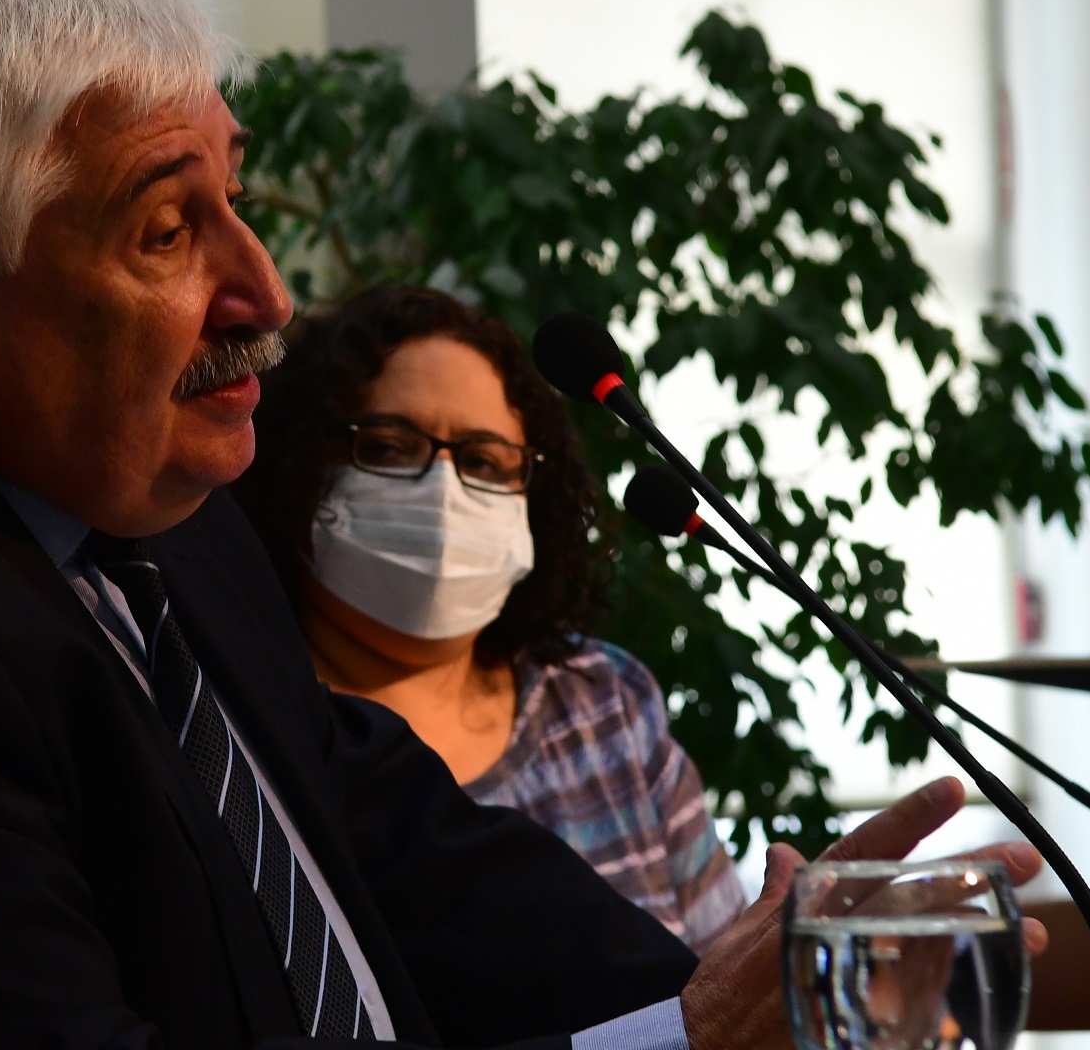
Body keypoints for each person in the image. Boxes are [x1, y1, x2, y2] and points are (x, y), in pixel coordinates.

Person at [0, 0, 1045, 1050]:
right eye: (169, 229)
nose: (265, 292)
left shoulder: (145, 508)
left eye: (234, 199)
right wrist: (687, 1043)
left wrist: (733, 986)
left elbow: (401, 849)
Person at [233, 285, 745, 952]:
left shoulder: (599, 701)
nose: (442, 492)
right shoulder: (240, 728)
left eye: (482, 462)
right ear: (296, 463)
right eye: (389, 447)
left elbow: (731, 976)